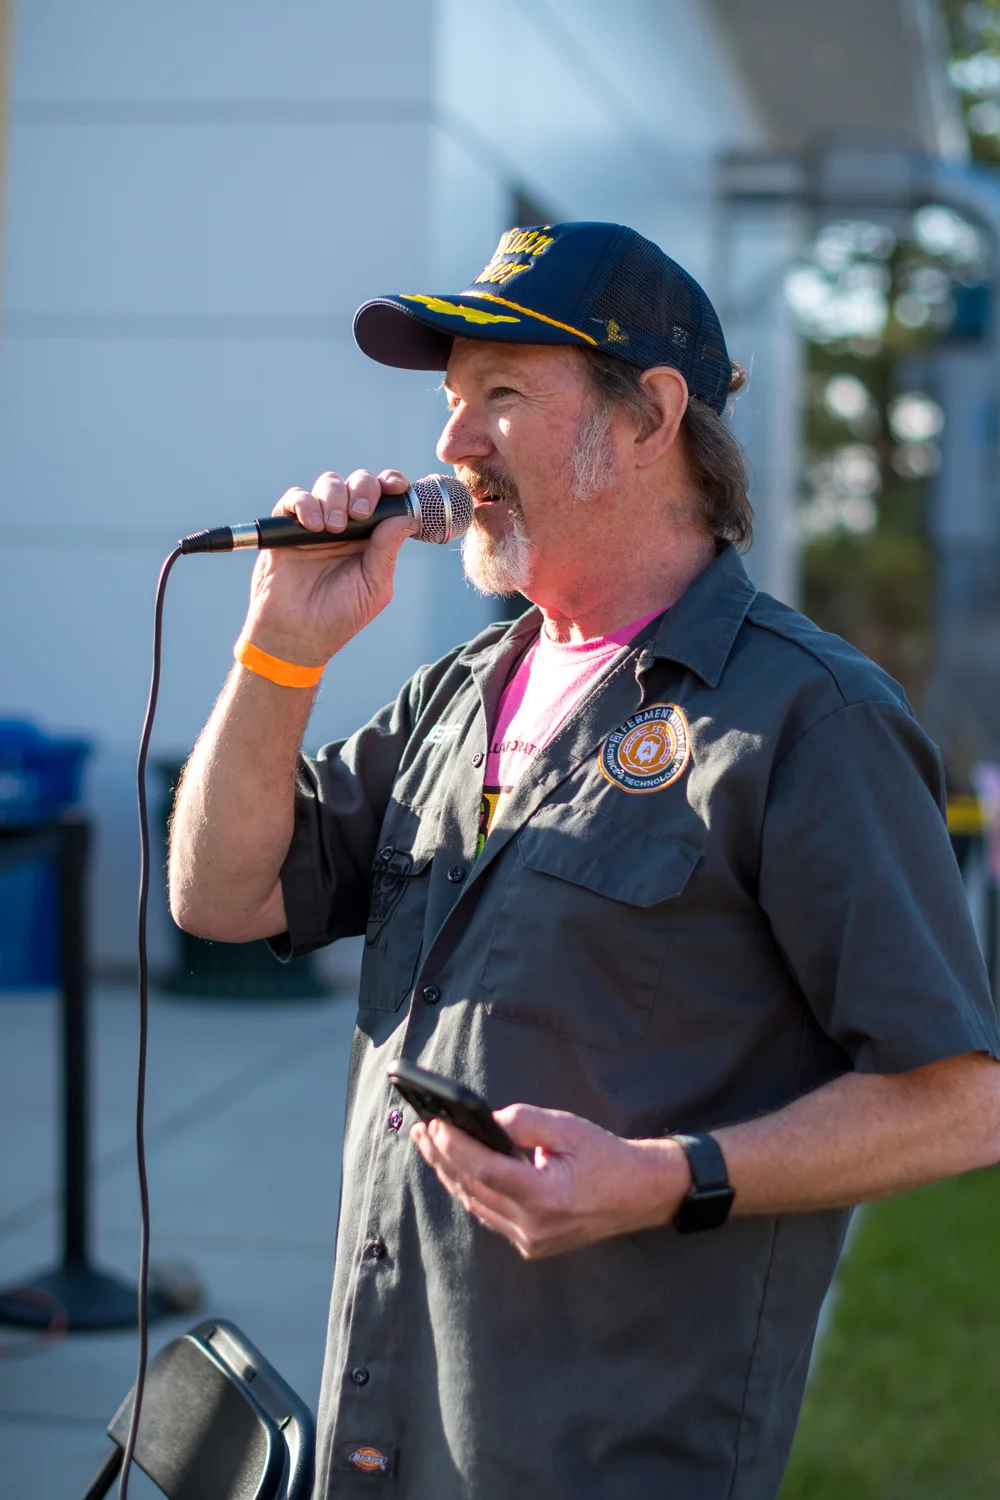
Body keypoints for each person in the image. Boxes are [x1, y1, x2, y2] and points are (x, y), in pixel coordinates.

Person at [169, 221, 1000, 1499]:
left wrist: (667, 1179)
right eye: (452, 402)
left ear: (650, 416)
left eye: (501, 394)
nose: (454, 443)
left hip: (608, 1456)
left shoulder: (807, 715)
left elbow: (958, 1102)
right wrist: (279, 651)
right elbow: (219, 896)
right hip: (383, 1443)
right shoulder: (459, 691)